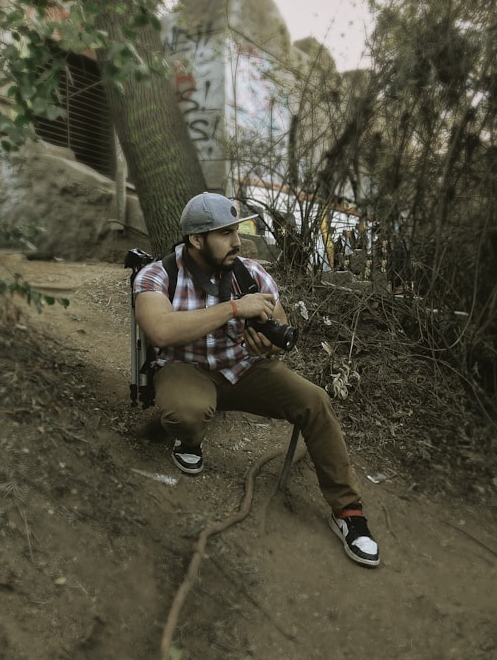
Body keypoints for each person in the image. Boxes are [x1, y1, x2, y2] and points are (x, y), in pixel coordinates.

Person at [132, 192, 380, 568]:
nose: (238, 241)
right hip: (188, 368)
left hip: (244, 369)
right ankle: (189, 440)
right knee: (188, 413)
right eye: (226, 233)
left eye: (238, 230)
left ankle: (348, 513)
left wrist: (268, 343)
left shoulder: (250, 273)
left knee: (314, 402)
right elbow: (161, 332)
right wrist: (233, 308)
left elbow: (280, 326)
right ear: (197, 239)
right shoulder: (158, 274)